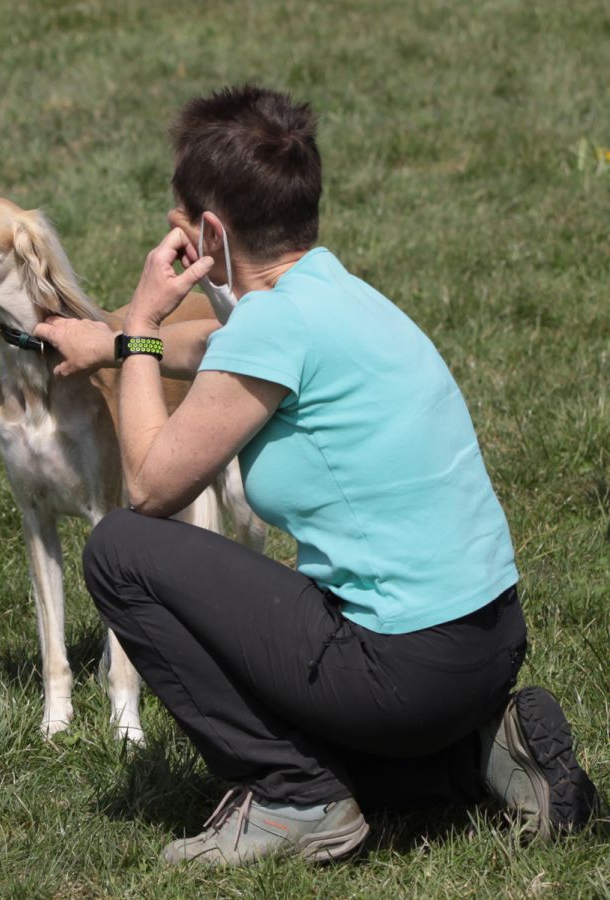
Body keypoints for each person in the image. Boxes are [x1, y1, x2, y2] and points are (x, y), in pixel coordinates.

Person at [34, 85, 601, 867]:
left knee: (121, 550)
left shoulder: (273, 324)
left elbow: (151, 486)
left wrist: (138, 327)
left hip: (404, 672)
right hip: (486, 645)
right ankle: (484, 755)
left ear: (209, 234)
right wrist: (113, 345)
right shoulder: (331, 293)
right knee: (346, 741)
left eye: (178, 220)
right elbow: (231, 349)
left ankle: (291, 796)